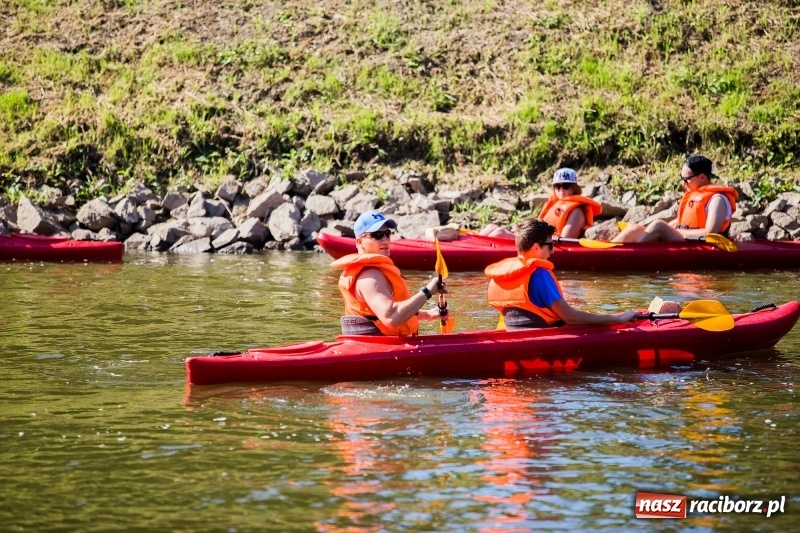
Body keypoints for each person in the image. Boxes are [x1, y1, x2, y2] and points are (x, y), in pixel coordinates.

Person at [485, 218, 637, 331]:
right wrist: (617, 318)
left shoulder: (502, 276)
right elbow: (571, 318)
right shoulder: (540, 275)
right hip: (544, 341)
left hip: (515, 337)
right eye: (550, 245)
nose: (552, 251)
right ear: (536, 247)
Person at [331, 210, 449, 336]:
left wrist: (429, 315)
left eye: (387, 234)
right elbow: (390, 317)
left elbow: (379, 314)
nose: (385, 240)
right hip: (377, 349)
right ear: (360, 242)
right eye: (377, 235)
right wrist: (428, 291)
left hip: (383, 343)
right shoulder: (369, 277)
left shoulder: (374, 272)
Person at [613, 155, 738, 242]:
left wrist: (676, 232)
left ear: (702, 177)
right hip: (686, 239)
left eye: (686, 179)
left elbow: (711, 233)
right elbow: (682, 222)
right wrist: (671, 228)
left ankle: (631, 258)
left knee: (658, 225)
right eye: (681, 178)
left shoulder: (717, 200)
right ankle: (607, 251)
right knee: (634, 229)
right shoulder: (694, 194)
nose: (683, 183)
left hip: (704, 246)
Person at [479, 168, 601, 239]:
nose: (561, 190)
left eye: (566, 186)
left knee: (498, 233)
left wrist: (525, 235)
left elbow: (564, 240)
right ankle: (471, 246)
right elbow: (539, 227)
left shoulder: (577, 212)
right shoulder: (556, 204)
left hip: (551, 248)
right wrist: (523, 229)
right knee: (491, 227)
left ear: (574, 188)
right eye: (557, 186)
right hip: (539, 243)